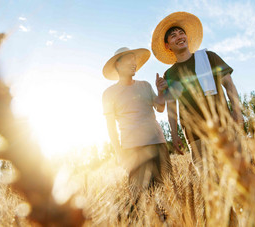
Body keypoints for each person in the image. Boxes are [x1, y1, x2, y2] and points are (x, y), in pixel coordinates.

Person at [151, 12, 244, 167]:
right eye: (173, 36)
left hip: (224, 127)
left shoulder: (209, 57)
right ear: (168, 46)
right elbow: (172, 107)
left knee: (240, 174)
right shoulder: (170, 74)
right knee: (210, 184)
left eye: (182, 33)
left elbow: (229, 85)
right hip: (196, 136)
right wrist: (174, 134)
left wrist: (237, 111)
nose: (179, 37)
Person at [102, 47, 172, 220]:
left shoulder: (145, 85)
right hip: (133, 150)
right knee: (138, 201)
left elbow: (160, 107)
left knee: (166, 196)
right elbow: (110, 127)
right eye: (129, 60)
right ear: (117, 64)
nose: (134, 63)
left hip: (158, 143)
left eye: (135, 60)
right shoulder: (109, 94)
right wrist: (119, 153)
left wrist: (161, 91)